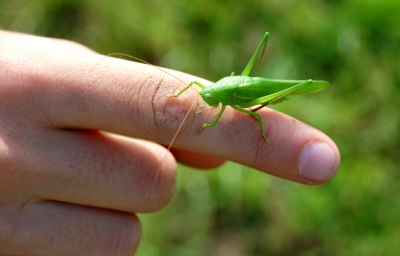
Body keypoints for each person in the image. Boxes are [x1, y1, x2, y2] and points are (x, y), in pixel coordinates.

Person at [0, 30, 340, 255]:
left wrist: (213, 121)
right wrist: (181, 94)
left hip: (251, 92)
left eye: (209, 97)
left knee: (257, 116)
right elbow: (200, 92)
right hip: (234, 86)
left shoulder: (225, 101)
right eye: (207, 96)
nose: (205, 97)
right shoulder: (213, 91)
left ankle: (296, 87)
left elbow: (235, 114)